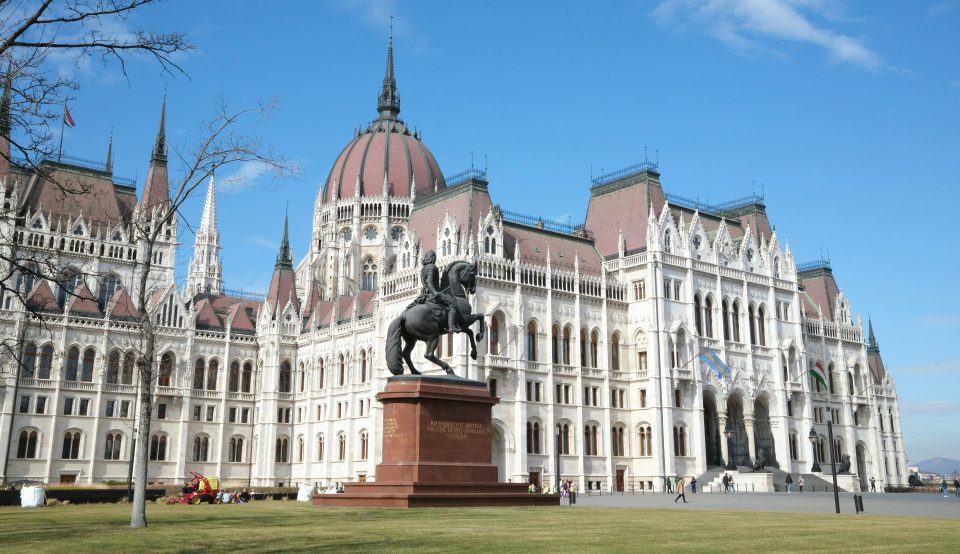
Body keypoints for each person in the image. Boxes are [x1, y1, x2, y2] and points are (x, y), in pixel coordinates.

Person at [411, 250, 460, 332]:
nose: (435, 259)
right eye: (434, 257)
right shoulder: (432, 267)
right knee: (452, 305)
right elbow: (429, 282)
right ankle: (452, 326)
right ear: (432, 258)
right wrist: (435, 292)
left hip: (424, 294)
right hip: (432, 294)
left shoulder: (423, 269)